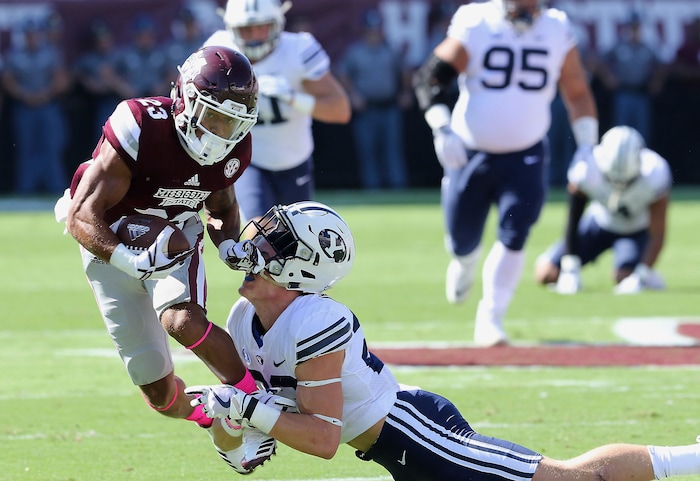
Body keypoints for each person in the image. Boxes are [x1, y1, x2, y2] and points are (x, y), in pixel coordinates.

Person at [185, 200, 700, 481]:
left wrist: (246, 411)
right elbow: (250, 447)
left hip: (420, 437)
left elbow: (320, 438)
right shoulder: (246, 317)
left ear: (303, 266)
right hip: (394, 450)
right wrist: (227, 424)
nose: (252, 244)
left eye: (272, 241)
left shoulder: (317, 319)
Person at [57, 46, 278, 473]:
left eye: (233, 120)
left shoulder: (233, 149)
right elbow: (81, 216)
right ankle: (212, 417)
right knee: (160, 396)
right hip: (108, 244)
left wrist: (228, 243)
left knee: (181, 319)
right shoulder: (140, 125)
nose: (222, 130)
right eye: (214, 116)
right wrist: (127, 260)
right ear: (185, 99)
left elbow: (222, 208)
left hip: (175, 239)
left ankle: (257, 402)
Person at [412, 0, 599, 346]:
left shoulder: (556, 26)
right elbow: (430, 78)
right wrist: (441, 127)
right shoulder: (476, 21)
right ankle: (464, 260)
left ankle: (491, 317)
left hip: (526, 153)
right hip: (470, 151)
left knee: (516, 234)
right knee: (462, 241)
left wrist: (587, 145)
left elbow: (576, 90)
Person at [204, 0, 350, 222]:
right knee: (259, 230)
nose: (254, 35)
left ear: (278, 24)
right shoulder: (220, 52)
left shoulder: (298, 50)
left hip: (294, 160)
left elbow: (340, 110)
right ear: (230, 28)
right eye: (245, 29)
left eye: (261, 27)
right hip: (248, 160)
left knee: (297, 239)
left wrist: (294, 98)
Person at [534, 126, 671, 295]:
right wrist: (570, 268)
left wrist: (641, 275)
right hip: (598, 222)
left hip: (634, 230)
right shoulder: (586, 168)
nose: (620, 187)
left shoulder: (655, 172)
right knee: (545, 274)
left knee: (624, 277)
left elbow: (658, 231)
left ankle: (647, 275)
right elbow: (573, 219)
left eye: (627, 182)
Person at [337, 9, 411, 190]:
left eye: (376, 30)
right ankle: (372, 189)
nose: (374, 34)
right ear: (364, 31)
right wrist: (353, 94)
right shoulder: (356, 52)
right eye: (370, 30)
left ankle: (398, 188)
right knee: (368, 152)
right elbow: (342, 74)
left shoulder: (390, 50)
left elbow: (405, 71)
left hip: (389, 106)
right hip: (366, 109)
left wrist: (406, 91)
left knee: (392, 150)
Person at [2, 17, 70, 195]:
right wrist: (26, 95)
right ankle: (25, 189)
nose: (31, 38)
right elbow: (8, 81)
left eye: (33, 34)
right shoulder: (14, 55)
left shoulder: (51, 53)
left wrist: (45, 94)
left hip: (48, 105)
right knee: (26, 148)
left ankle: (55, 188)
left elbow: (60, 79)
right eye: (28, 35)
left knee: (52, 146)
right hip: (24, 107)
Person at [596, 11, 665, 142]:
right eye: (632, 27)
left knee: (642, 133)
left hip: (641, 94)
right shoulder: (619, 46)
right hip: (623, 93)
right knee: (622, 132)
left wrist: (657, 82)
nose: (634, 30)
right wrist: (608, 77)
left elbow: (662, 66)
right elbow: (600, 61)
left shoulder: (647, 47)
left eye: (637, 27)